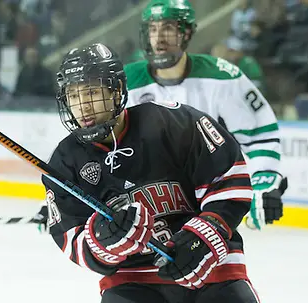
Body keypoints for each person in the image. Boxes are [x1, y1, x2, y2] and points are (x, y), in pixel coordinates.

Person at [42, 42, 261, 302]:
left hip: (210, 270)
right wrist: (104, 241)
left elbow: (228, 179)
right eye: (74, 96)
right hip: (132, 280)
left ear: (117, 91)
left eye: (90, 92)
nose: (83, 107)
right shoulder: (65, 162)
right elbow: (72, 239)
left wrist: (202, 237)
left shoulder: (174, 123)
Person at [126, 0, 287, 230]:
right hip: (150, 208)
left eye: (168, 29)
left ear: (187, 33)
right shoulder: (126, 82)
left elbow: (260, 135)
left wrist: (262, 182)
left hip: (209, 206)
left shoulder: (223, 77)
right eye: (153, 29)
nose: (159, 38)